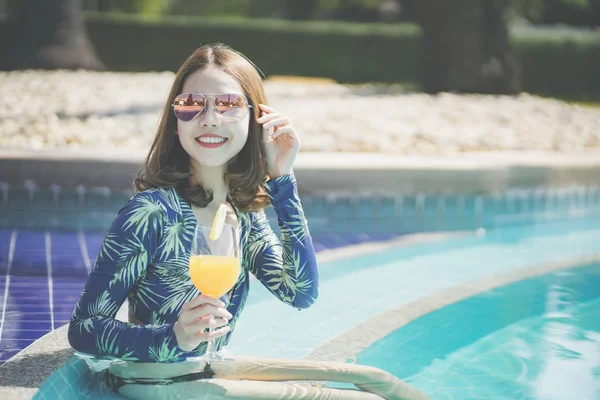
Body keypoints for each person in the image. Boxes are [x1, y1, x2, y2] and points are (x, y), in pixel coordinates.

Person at [68, 43, 429, 400]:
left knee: (376, 379)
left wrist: (282, 182)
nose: (209, 118)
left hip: (207, 368)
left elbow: (299, 293)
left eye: (228, 105)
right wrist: (173, 338)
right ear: (174, 119)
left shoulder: (243, 215)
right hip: (157, 381)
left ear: (256, 118)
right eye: (192, 104)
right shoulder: (151, 213)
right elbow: (84, 330)